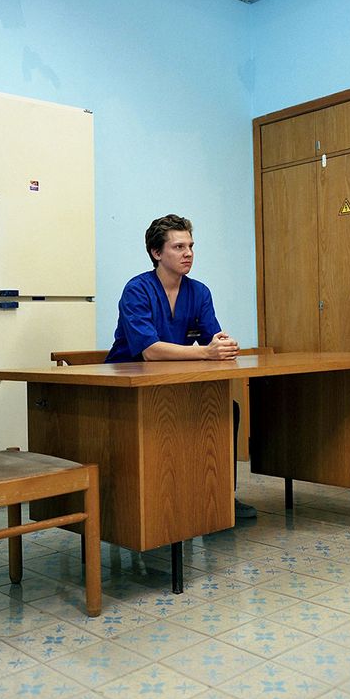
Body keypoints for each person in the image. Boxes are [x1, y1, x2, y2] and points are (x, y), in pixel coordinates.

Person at [106, 214, 257, 520]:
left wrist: (225, 346)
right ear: (156, 253)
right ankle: (160, 498)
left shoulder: (198, 292)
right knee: (164, 418)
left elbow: (213, 338)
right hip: (128, 386)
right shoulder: (137, 290)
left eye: (190, 245)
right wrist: (205, 353)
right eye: (178, 246)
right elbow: (149, 351)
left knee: (227, 409)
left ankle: (222, 495)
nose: (188, 253)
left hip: (173, 381)